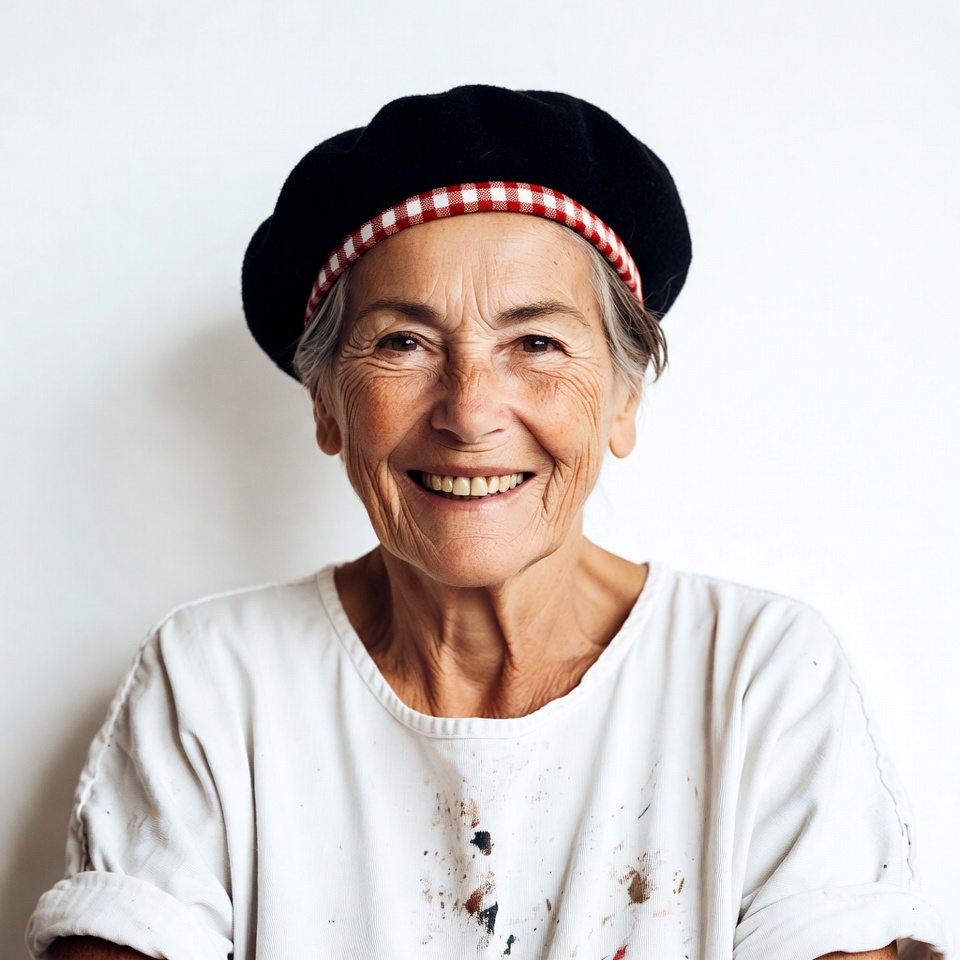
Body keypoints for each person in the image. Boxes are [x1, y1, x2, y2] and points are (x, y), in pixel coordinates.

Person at [28, 86, 947, 960]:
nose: (469, 413)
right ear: (327, 408)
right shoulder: (218, 679)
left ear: (623, 399)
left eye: (536, 343)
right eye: (403, 344)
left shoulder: (756, 674)